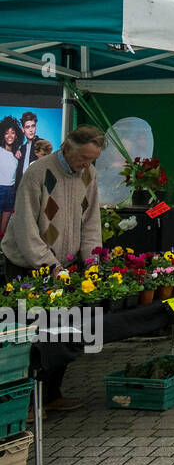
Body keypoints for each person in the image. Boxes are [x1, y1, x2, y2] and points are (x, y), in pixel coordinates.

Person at [1, 125, 107, 412]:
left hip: (64, 264)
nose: (86, 164)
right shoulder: (38, 173)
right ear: (67, 147)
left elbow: (91, 223)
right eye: (83, 157)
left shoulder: (88, 174)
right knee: (32, 335)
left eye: (92, 159)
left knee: (63, 330)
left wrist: (92, 263)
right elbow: (24, 229)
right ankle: (24, 406)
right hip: (26, 265)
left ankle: (52, 395)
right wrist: (50, 266)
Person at [0, 116, 21, 238]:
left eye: (12, 133)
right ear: (2, 134)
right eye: (6, 133)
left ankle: (1, 251)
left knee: (4, 228)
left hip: (11, 191)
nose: (9, 135)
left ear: (17, 135)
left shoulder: (17, 154)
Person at [13, 112, 40, 187]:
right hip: (21, 189)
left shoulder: (41, 144)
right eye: (27, 127)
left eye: (33, 126)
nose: (31, 130)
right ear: (23, 129)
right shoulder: (22, 149)